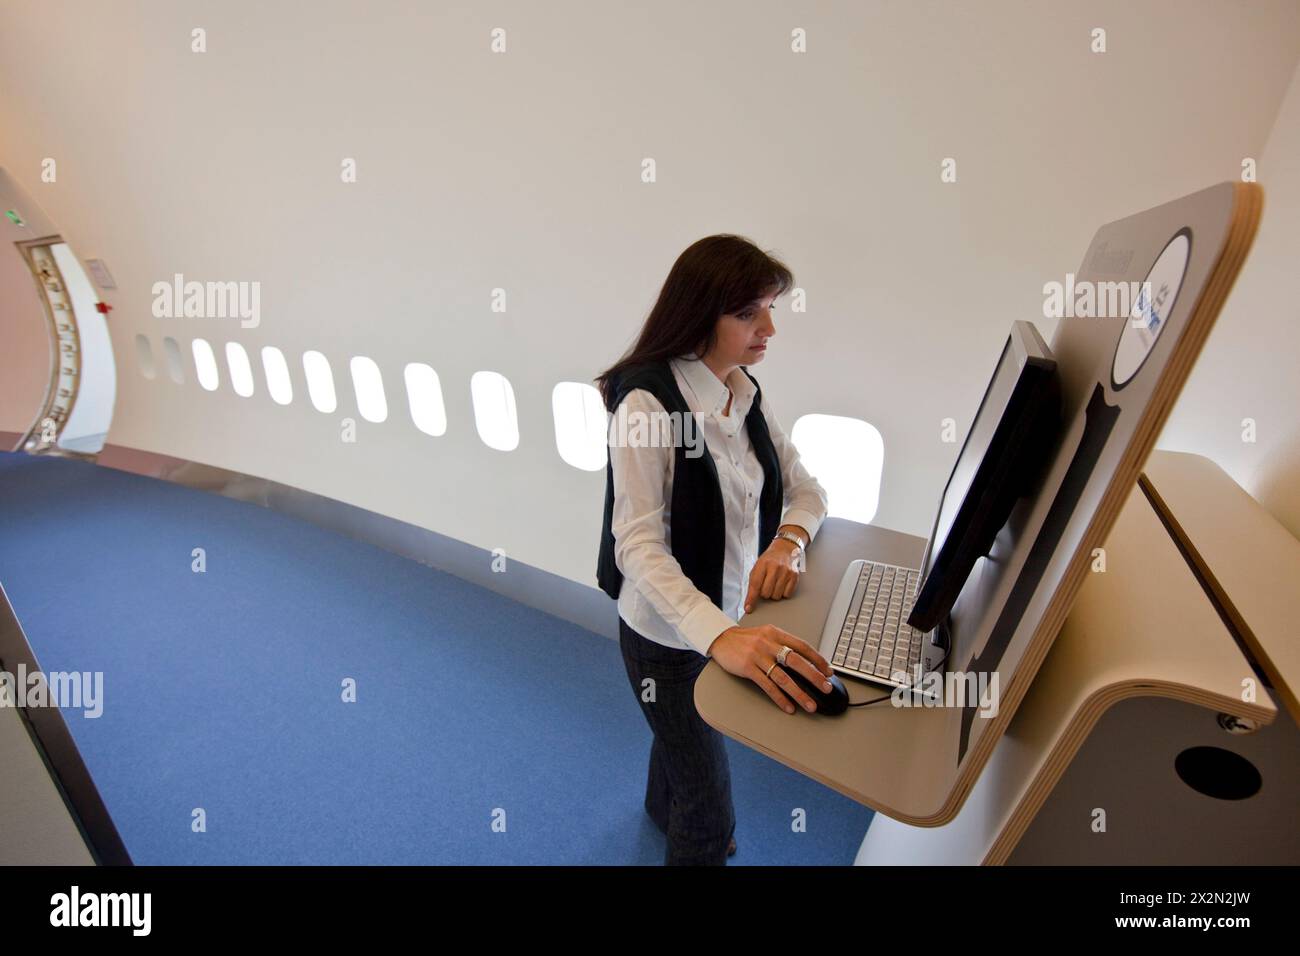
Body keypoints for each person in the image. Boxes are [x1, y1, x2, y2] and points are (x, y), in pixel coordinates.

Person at [594, 234, 834, 866]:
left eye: (770, 309)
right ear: (702, 315)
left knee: (678, 740)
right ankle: (692, 832)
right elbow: (636, 544)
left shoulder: (744, 390)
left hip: (727, 620)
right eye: (750, 313)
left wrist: (788, 541)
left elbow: (809, 489)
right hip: (665, 636)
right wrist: (720, 636)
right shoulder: (647, 403)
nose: (770, 329)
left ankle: (659, 807)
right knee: (709, 811)